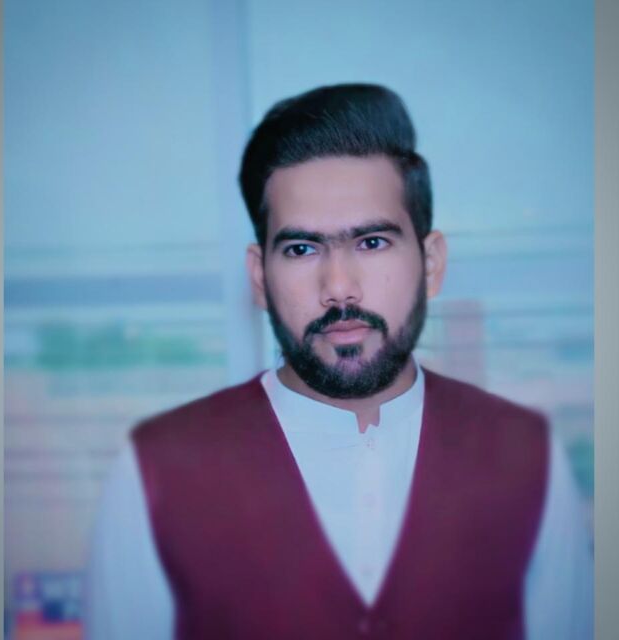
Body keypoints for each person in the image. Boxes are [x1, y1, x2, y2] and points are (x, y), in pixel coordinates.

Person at [86, 84, 592, 639]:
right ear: (259, 277)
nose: (339, 287)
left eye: (372, 242)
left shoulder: (528, 457)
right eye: (302, 249)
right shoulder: (154, 472)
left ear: (431, 264)